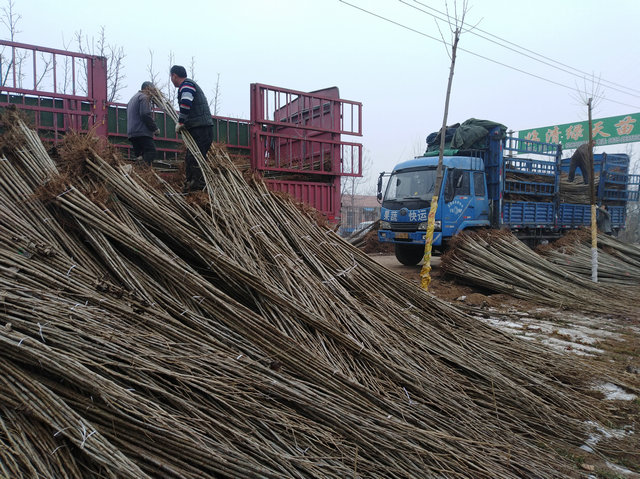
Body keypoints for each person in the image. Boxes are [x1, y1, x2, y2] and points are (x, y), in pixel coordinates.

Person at [170, 65, 214, 192]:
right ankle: (191, 184)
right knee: (191, 157)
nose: (171, 80)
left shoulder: (187, 85)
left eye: (171, 77)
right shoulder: (188, 85)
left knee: (195, 157)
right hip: (200, 128)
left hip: (201, 129)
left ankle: (198, 188)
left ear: (174, 75)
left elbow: (186, 103)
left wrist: (181, 122)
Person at [127, 81, 160, 166]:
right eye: (152, 90)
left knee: (140, 155)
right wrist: (154, 128)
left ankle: (139, 171)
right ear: (147, 88)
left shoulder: (132, 98)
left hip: (132, 134)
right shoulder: (144, 97)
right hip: (142, 132)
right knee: (151, 152)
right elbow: (145, 114)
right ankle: (142, 167)